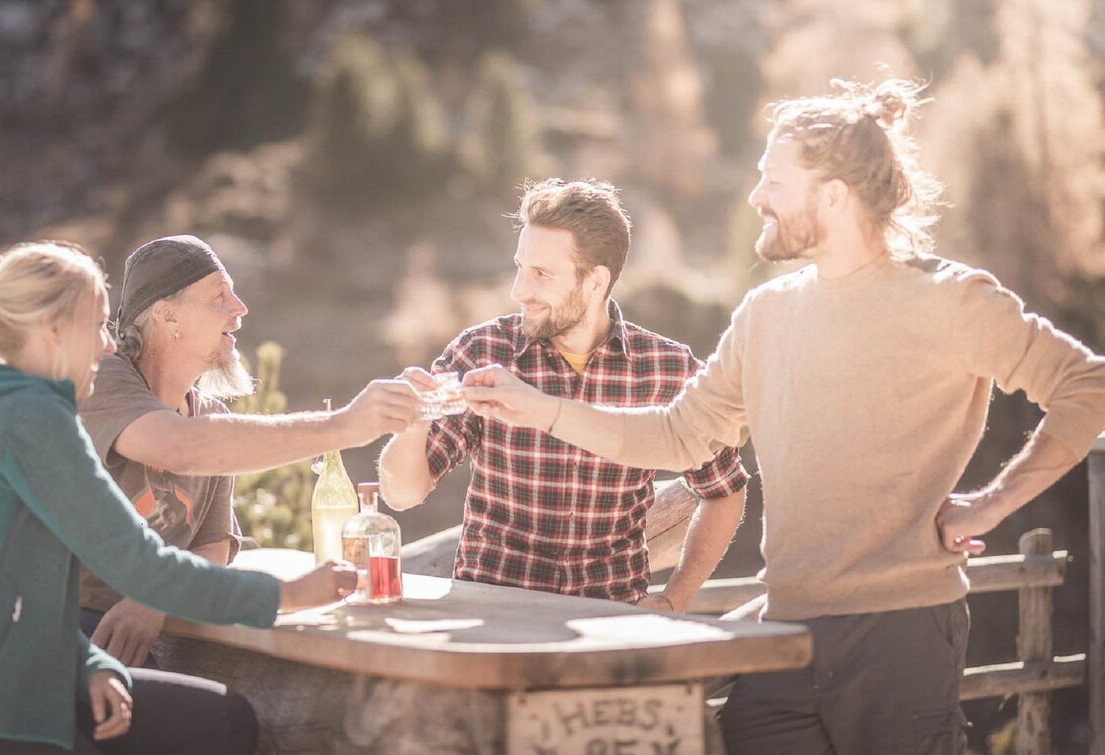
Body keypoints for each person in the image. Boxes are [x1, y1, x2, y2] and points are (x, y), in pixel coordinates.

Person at [460, 79, 1105, 754]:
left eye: (773, 180)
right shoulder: (766, 314)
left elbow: (1086, 386)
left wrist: (989, 504)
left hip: (899, 630)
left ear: (832, 195)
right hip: (785, 631)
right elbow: (675, 434)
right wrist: (540, 408)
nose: (755, 197)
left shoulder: (950, 300)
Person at [0, 241, 360, 755]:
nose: (108, 344)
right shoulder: (31, 417)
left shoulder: (1, 413)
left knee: (215, 719)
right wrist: (288, 596)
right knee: (223, 723)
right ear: (52, 329)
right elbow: (142, 566)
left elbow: (18, 594)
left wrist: (90, 665)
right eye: (96, 325)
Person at [378, 179, 749, 610]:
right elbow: (402, 494)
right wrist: (413, 424)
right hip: (492, 615)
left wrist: (674, 599)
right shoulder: (482, 351)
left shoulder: (666, 368)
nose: (520, 290)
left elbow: (725, 490)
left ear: (596, 281)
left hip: (608, 619)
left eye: (541, 274)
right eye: (520, 267)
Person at [76, 235, 422, 667]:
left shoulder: (212, 418)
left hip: (158, 635)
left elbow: (213, 545)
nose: (240, 309)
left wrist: (156, 597)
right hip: (72, 631)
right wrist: (345, 426)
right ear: (167, 314)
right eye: (219, 297)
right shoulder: (102, 380)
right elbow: (179, 447)